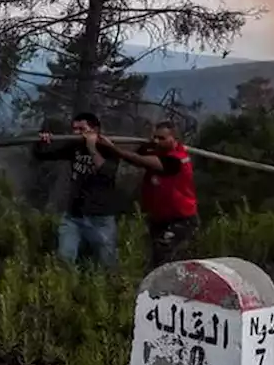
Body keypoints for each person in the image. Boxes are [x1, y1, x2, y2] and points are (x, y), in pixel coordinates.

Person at [100, 121, 199, 271]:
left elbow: (138, 159)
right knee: (156, 258)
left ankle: (168, 289)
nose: (157, 141)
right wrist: (148, 145)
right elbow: (139, 153)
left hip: (181, 219)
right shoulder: (158, 151)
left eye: (162, 138)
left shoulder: (176, 160)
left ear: (174, 139)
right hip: (159, 218)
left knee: (164, 254)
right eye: (155, 137)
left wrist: (113, 149)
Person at [34, 112, 124, 270]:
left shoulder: (109, 148)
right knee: (64, 260)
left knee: (107, 265)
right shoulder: (74, 146)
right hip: (74, 216)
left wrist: (92, 148)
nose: (76, 133)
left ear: (95, 129)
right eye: (74, 129)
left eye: (81, 129)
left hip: (101, 218)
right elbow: (43, 155)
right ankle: (63, 291)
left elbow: (106, 171)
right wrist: (42, 142)